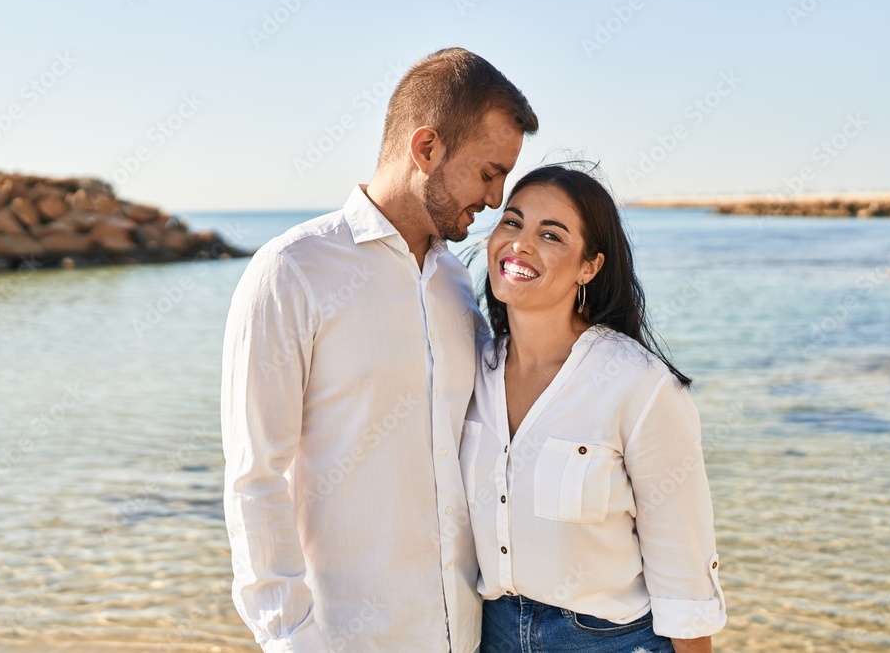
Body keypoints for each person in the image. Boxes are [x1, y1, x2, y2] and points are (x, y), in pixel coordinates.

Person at [220, 47, 538, 652]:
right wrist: (292, 640)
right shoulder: (292, 271)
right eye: (489, 172)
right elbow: (254, 478)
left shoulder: (457, 284)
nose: (496, 199)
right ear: (426, 148)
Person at [461, 165, 727, 653]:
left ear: (590, 266)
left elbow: (683, 564)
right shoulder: (470, 369)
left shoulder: (640, 386)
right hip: (491, 632)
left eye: (551, 235)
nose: (520, 244)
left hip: (611, 639)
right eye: (512, 222)